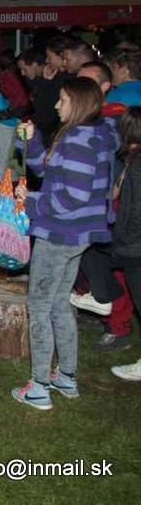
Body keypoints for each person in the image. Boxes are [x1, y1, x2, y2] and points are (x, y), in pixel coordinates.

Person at [11, 77, 118, 409]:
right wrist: (31, 142)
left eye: (63, 100)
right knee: (59, 304)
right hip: (78, 235)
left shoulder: (78, 140)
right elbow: (49, 171)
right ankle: (66, 377)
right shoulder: (92, 135)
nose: (57, 106)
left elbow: (72, 195)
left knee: (40, 307)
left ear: (78, 103)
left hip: (60, 233)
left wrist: (31, 202)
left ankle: (39, 387)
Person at [110, 107, 141, 381]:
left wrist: (124, 238)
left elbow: (137, 210)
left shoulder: (139, 165)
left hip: (135, 246)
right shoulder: (134, 162)